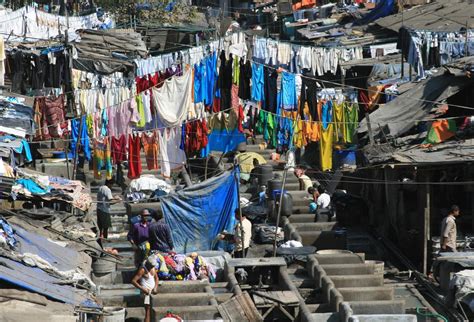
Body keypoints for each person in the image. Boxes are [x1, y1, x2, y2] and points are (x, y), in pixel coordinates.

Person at [131, 257, 159, 322]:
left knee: (150, 309)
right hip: (145, 293)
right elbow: (133, 281)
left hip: (152, 292)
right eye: (151, 265)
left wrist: (155, 288)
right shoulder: (142, 270)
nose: (152, 266)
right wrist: (143, 289)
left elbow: (156, 278)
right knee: (147, 310)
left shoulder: (153, 269)